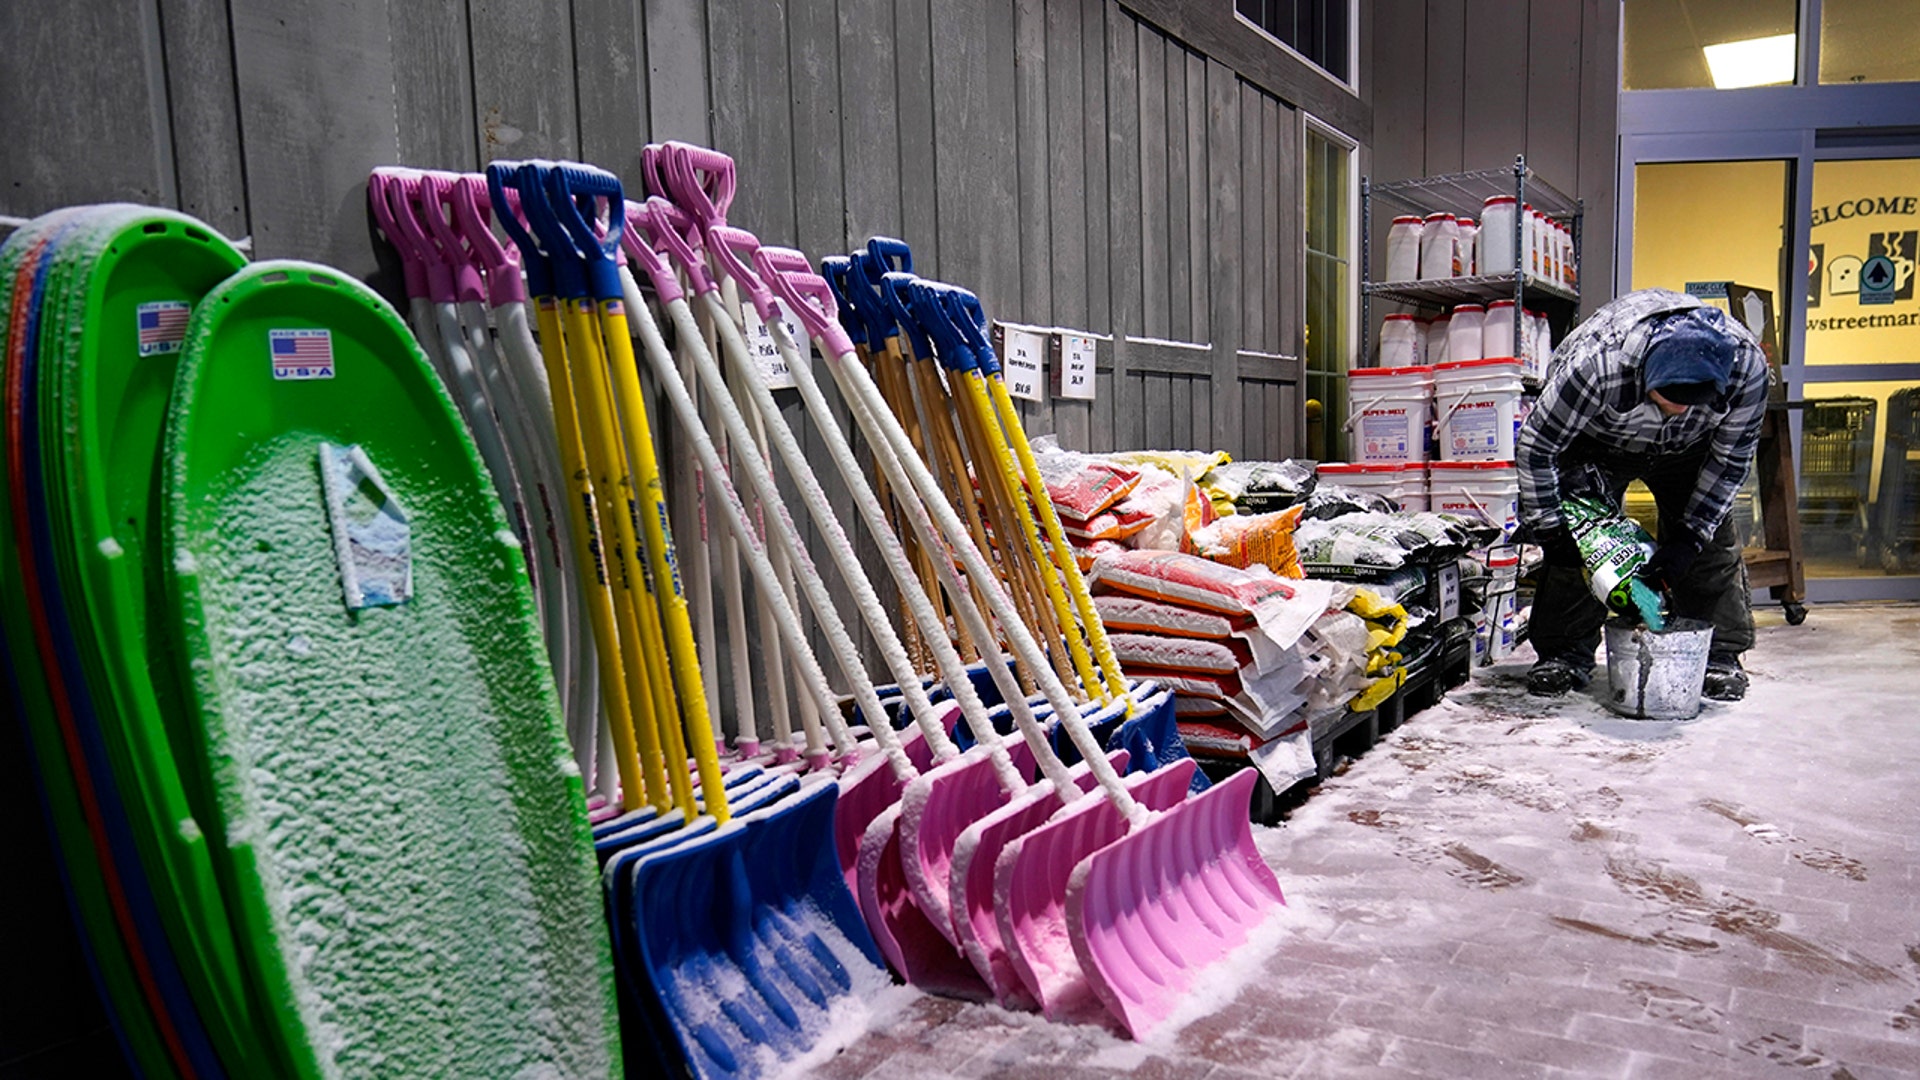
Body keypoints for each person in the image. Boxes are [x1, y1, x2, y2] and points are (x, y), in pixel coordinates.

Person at [1517, 288, 1771, 701]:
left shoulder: (1747, 369)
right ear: (1647, 376)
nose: (1681, 410)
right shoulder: (1598, 366)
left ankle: (1720, 654)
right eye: (1672, 399)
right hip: (1596, 441)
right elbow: (1537, 447)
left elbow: (1729, 464)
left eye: (1697, 402)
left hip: (1691, 449)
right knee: (1581, 547)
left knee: (1711, 547)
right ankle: (1563, 654)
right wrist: (1552, 531)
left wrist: (1689, 538)